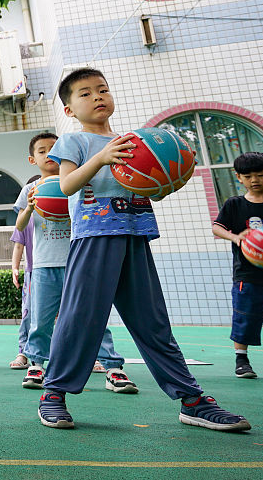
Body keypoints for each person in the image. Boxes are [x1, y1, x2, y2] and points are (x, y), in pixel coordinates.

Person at [37, 67, 249, 432]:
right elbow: (68, 184)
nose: (97, 96)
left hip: (135, 236)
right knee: (80, 319)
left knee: (153, 323)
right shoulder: (74, 142)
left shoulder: (135, 142)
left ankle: (192, 400)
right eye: (85, 93)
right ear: (70, 110)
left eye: (102, 89)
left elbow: (151, 188)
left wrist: (171, 175)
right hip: (94, 238)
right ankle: (53, 394)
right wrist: (101, 158)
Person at [13, 133, 135, 393]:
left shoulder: (77, 182)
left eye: (53, 150)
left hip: (79, 260)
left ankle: (113, 367)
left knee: (93, 315)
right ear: (32, 159)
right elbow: (21, 227)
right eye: (42, 151)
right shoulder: (30, 190)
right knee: (41, 320)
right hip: (45, 265)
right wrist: (31, 207)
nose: (48, 156)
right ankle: (37, 363)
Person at [210, 151, 263, 379]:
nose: (254, 180)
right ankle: (242, 360)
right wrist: (236, 237)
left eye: (260, 175)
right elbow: (217, 227)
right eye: (247, 176)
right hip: (248, 276)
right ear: (238, 178)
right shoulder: (234, 205)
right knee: (244, 318)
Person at [8, 177, 36, 370]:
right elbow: (19, 244)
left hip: (64, 270)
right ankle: (24, 352)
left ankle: (87, 355)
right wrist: (15, 268)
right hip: (34, 273)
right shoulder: (27, 217)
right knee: (28, 313)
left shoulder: (62, 211)